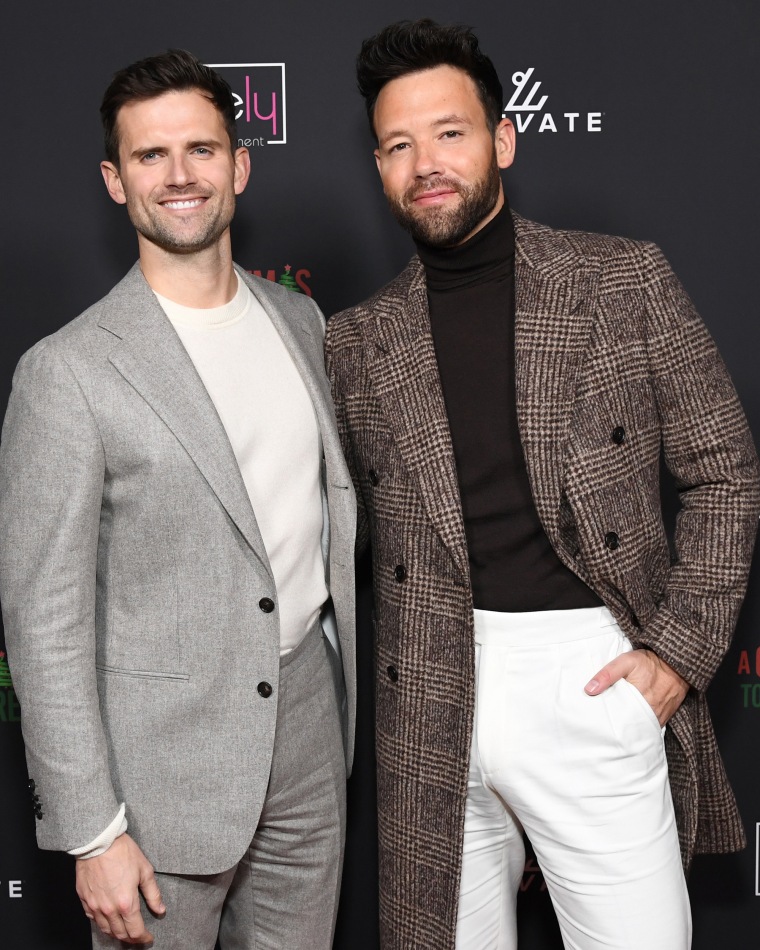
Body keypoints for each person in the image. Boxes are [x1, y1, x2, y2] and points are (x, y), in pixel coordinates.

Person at [325, 18, 760, 950]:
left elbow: (725, 472)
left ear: (502, 139)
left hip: (590, 678)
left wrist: (677, 654)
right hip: (429, 688)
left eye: (449, 133)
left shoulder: (621, 279)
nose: (425, 163)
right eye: (399, 146)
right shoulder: (357, 340)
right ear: (379, 166)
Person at [0, 49, 356, 949]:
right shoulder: (67, 372)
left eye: (200, 149)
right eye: (151, 157)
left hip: (311, 737)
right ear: (116, 183)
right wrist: (92, 830)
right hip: (157, 775)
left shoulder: (300, 322)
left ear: (239, 164)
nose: (180, 175)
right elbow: (43, 618)